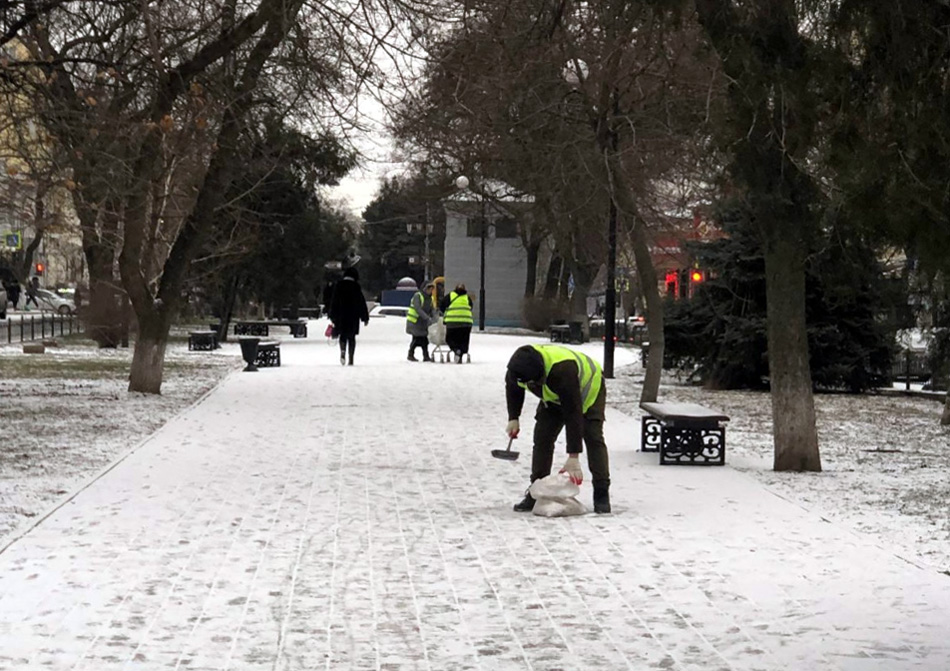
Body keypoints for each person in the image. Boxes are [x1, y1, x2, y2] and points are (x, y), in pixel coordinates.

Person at [504, 343, 611, 514]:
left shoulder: (562, 371)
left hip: (589, 392)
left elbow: (573, 413)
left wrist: (573, 456)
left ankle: (601, 493)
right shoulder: (517, 370)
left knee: (593, 437)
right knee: (542, 438)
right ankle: (536, 491)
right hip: (553, 399)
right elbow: (514, 390)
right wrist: (513, 418)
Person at [328, 266, 369, 366]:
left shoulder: (339, 285)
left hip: (340, 316)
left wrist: (332, 315)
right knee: (351, 337)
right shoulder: (356, 287)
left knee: (342, 335)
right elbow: (361, 303)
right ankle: (351, 358)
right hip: (353, 316)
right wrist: (365, 317)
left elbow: (334, 301)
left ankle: (342, 351)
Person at [440, 283, 473, 363]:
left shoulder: (450, 296)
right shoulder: (467, 297)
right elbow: (471, 307)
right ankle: (460, 354)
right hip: (466, 322)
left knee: (449, 339)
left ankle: (456, 350)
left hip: (452, 322)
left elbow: (442, 306)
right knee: (463, 340)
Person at [406, 281, 435, 362]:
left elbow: (432, 309)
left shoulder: (430, 298)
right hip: (415, 321)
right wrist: (427, 317)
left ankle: (424, 355)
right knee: (417, 338)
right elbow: (418, 308)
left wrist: (434, 316)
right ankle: (412, 354)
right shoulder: (418, 296)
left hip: (423, 323)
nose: (430, 291)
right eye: (429, 289)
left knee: (423, 339)